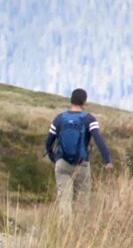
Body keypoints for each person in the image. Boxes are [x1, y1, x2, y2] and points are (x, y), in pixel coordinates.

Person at [44, 88, 112, 218]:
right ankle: (79, 228)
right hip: (82, 164)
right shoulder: (89, 119)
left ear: (71, 100)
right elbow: (99, 140)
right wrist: (107, 159)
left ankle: (64, 227)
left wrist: (54, 158)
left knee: (64, 199)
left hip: (62, 163)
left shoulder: (59, 119)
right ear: (84, 102)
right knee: (82, 200)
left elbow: (48, 142)